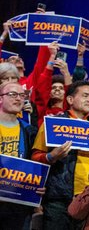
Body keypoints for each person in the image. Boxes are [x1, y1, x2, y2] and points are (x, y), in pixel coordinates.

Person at [31, 80, 89, 229]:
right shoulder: (52, 124)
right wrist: (51, 157)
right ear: (70, 99)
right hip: (58, 199)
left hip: (88, 198)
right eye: (85, 95)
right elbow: (36, 157)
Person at [0, 81, 40, 229]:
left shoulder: (29, 130)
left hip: (17, 200)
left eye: (21, 95)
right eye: (12, 94)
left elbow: (34, 164)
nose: (18, 99)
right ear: (0, 98)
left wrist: (38, 184)